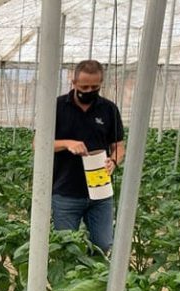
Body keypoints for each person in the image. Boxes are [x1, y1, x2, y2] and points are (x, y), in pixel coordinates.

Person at [51, 59, 125, 254]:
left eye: (95, 86)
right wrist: (67, 143)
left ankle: (93, 281)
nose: (89, 90)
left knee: (102, 245)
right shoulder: (57, 107)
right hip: (65, 190)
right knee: (66, 248)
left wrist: (114, 160)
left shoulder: (108, 109)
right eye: (84, 86)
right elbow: (39, 144)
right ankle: (71, 283)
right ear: (73, 83)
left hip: (100, 190)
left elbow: (118, 145)